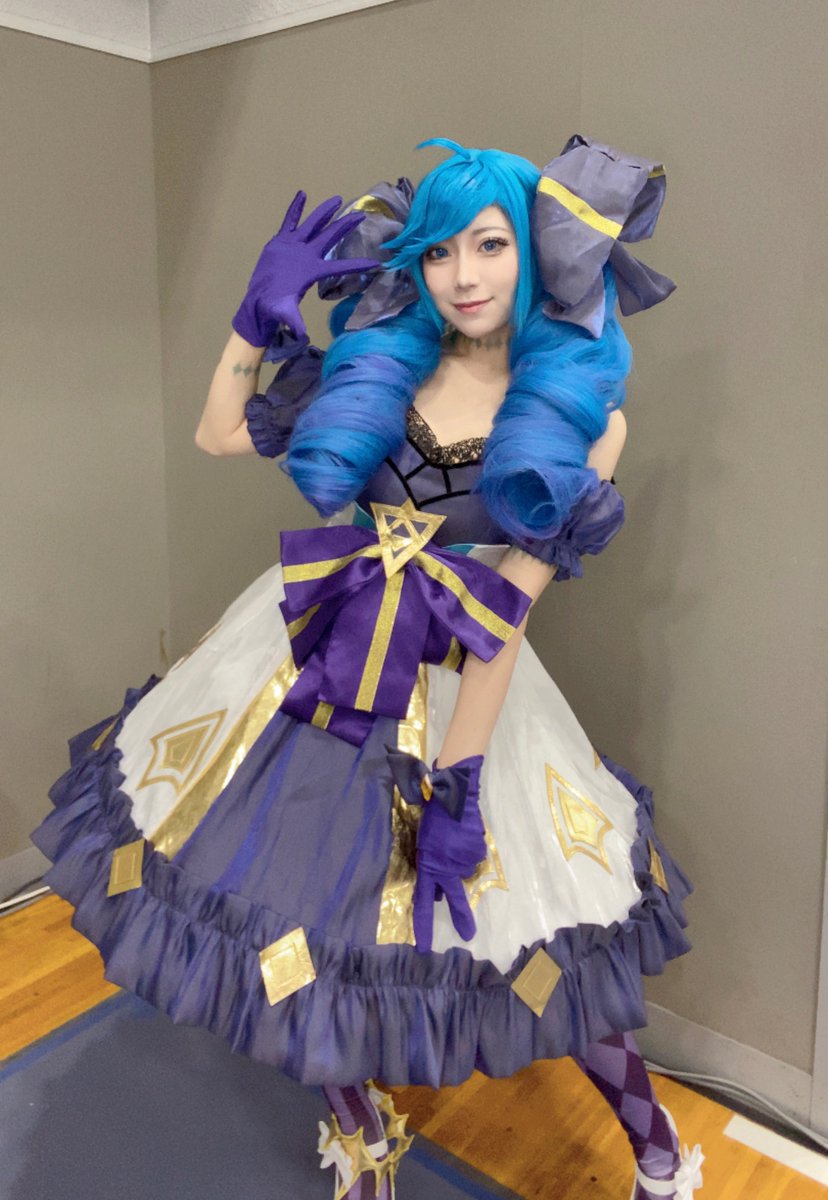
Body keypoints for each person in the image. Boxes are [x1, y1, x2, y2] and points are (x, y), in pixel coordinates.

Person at [34, 135, 704, 1200]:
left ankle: (659, 1151)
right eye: (439, 251)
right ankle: (362, 1138)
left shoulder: (588, 417)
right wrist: (252, 322)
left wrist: (460, 784)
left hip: (454, 682)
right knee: (298, 923)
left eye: (489, 245)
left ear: (535, 254)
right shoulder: (381, 358)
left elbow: (506, 616)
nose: (463, 275)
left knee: (542, 945)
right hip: (311, 665)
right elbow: (218, 434)